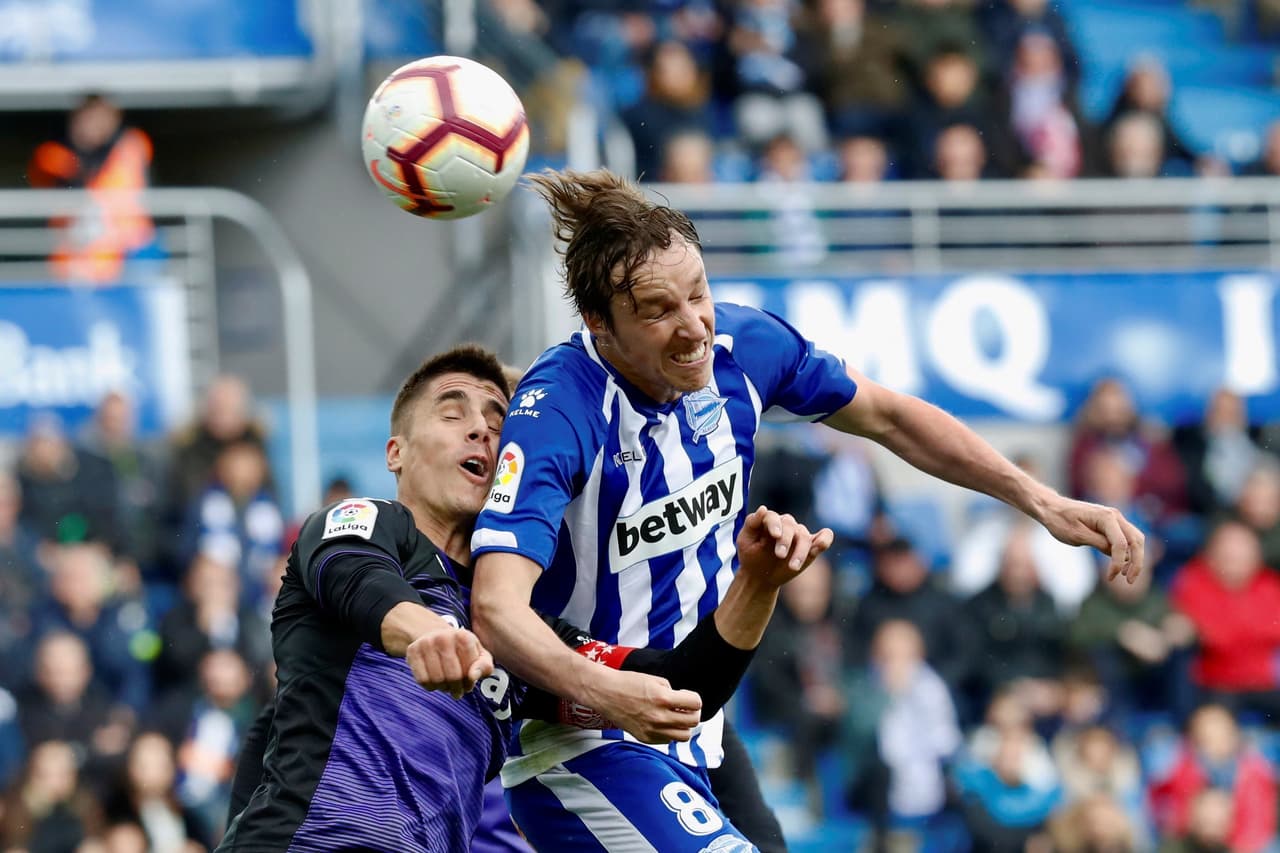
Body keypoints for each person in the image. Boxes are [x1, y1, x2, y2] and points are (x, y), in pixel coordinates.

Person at [469, 168, 1146, 852]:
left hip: (698, 722)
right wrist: (613, 695)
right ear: (599, 323)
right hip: (586, 739)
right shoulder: (559, 407)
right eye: (657, 309)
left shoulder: (741, 348)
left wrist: (1042, 500)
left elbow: (888, 417)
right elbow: (496, 609)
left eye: (698, 293)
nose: (693, 327)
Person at [217, 344, 830, 852]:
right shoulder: (364, 523)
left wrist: (756, 584)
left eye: (494, 417)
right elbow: (354, 575)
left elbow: (682, 685)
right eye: (452, 412)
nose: (480, 426)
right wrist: (426, 632)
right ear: (395, 452)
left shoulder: (520, 633)